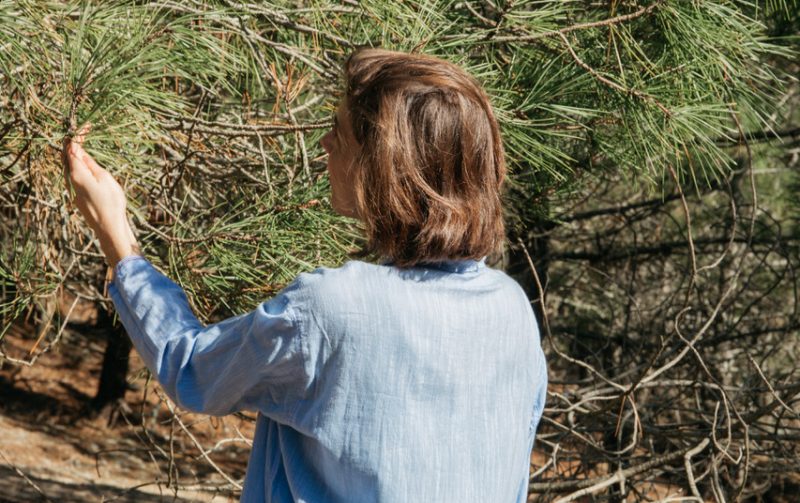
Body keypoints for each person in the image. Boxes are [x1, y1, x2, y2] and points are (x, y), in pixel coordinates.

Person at [63, 46, 548, 503]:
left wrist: (119, 243)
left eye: (340, 131)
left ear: (381, 165)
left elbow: (191, 370)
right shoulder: (511, 309)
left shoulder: (334, 307)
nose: (325, 143)